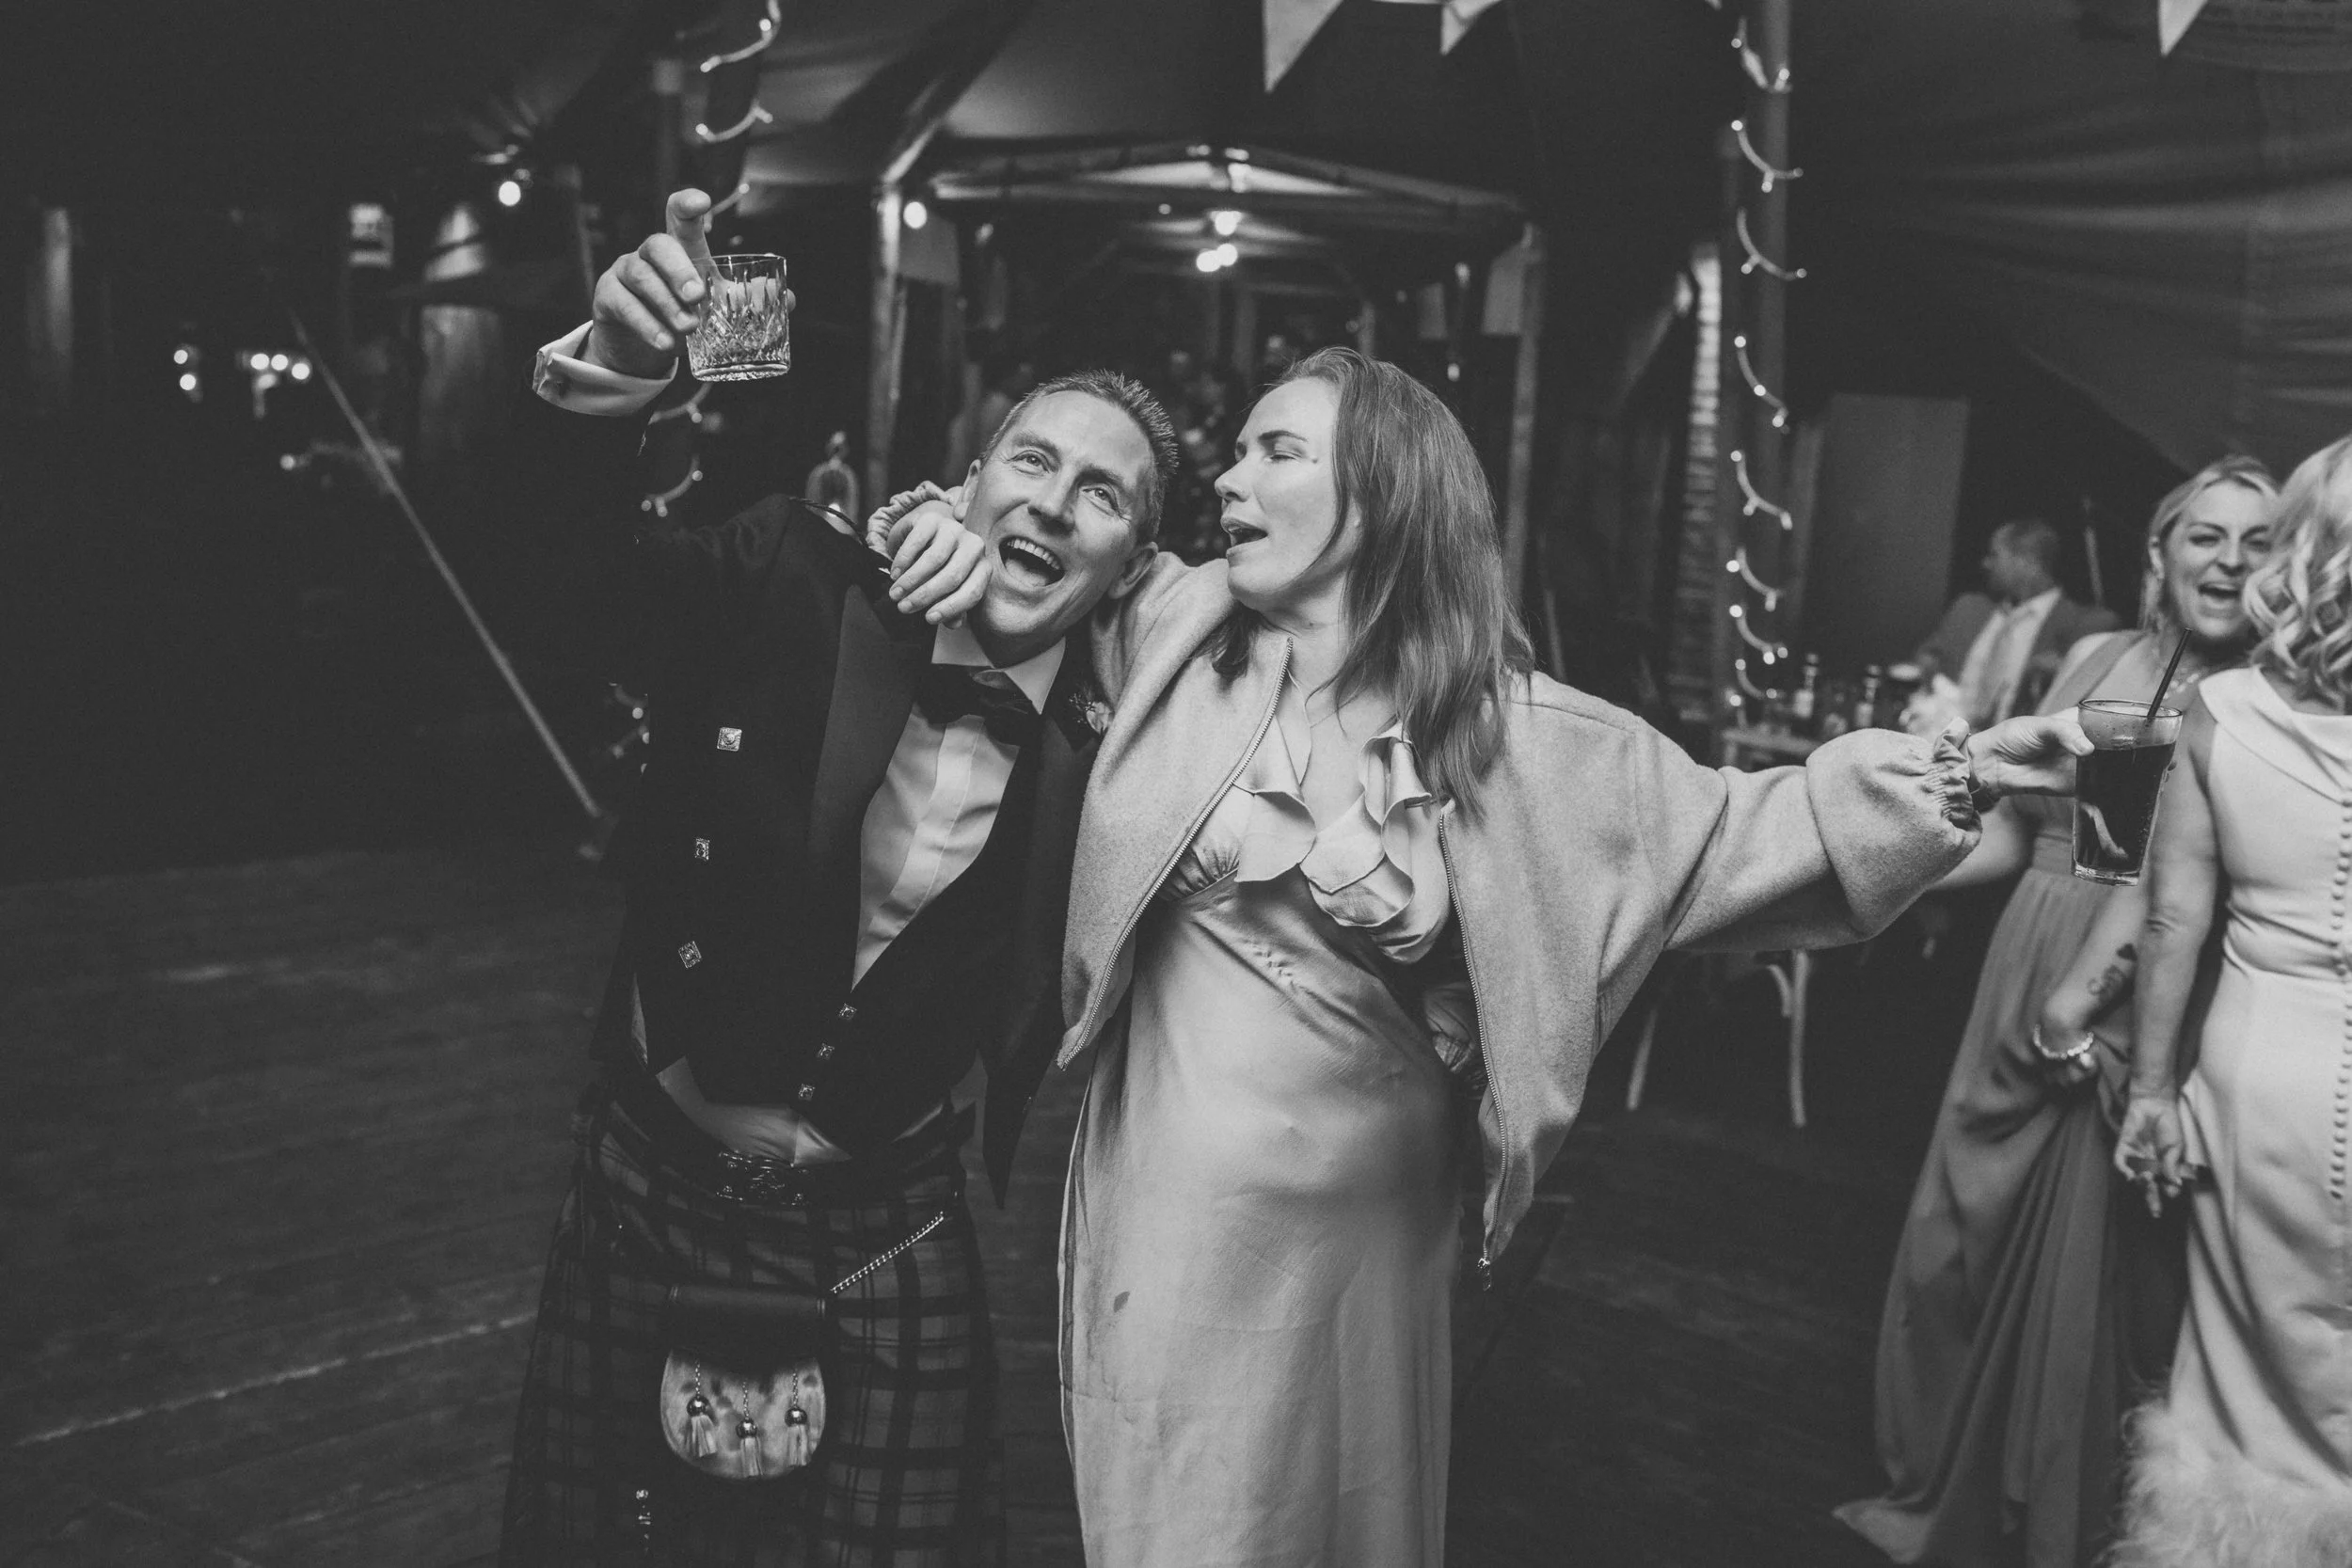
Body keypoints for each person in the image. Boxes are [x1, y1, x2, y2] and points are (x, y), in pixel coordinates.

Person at [883, 349, 2091, 1566]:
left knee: (1343, 1527)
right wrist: (936, 516)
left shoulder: (1506, 731)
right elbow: (1037, 551)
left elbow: (1732, 828)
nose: (1232, 479)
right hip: (1176, 1209)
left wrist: (1968, 770)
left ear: (1385, 493)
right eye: (1238, 452)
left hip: (1370, 1233)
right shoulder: (1177, 627)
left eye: (1277, 451)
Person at [498, 188, 1178, 1567]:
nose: (1050, 499)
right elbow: (568, 598)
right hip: (651, 1173)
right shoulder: (791, 574)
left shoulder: (1122, 754)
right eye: (1029, 461)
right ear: (971, 477)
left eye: (1099, 491)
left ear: (1131, 565)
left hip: (886, 1220)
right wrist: (618, 384)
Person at [1836, 457, 2279, 1568]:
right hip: (2024, 948)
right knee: (1957, 1236)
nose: (2226, 561)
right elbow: (2011, 829)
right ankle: (1952, 1477)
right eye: (2203, 536)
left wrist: (2082, 1007)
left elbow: (2179, 888)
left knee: (2092, 1268)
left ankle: (2044, 1518)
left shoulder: (2267, 694)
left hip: (2138, 985)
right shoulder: (2094, 657)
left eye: (2255, 541)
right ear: (2158, 552)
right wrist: (1867, 880)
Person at [2111, 436, 2352, 1567]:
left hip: (2258, 1087)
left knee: (2235, 1396)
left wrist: (2149, 1089)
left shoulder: (2226, 711)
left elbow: (2171, 920)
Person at [1915, 517, 2122, 729]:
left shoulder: (2083, 625)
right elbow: (1927, 657)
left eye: (1995, 555)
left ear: (2027, 562)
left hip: (2014, 749)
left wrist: (2060, 668)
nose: (1985, 563)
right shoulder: (1968, 609)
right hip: (1941, 735)